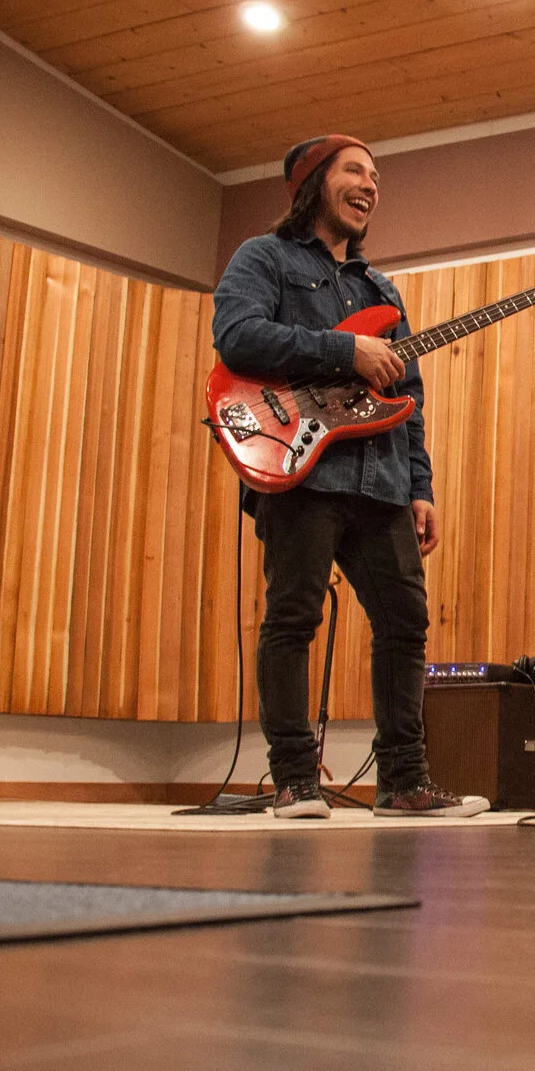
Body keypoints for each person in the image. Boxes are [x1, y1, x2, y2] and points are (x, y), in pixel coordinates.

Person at [212, 134, 487, 819]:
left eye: (377, 178)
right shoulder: (264, 257)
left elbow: (408, 394)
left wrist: (420, 487)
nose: (371, 186)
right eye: (356, 171)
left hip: (381, 480)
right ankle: (294, 779)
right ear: (313, 181)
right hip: (300, 469)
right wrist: (345, 349)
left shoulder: (380, 289)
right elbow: (237, 335)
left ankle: (403, 781)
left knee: (406, 623)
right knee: (293, 616)